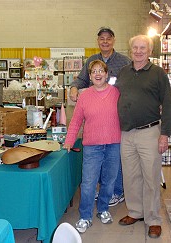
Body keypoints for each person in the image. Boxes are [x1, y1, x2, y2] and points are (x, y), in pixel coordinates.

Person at [115, 35, 171, 239]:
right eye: (135, 48)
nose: (138, 51)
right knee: (130, 176)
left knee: (150, 177)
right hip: (126, 133)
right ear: (130, 50)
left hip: (150, 132)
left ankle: (153, 219)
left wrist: (164, 134)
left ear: (149, 51)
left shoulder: (158, 73)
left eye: (143, 48)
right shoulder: (123, 72)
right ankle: (135, 212)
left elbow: (168, 105)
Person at [69, 26, 130, 207]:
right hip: (96, 118)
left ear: (113, 40)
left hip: (115, 115)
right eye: (102, 38)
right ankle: (104, 193)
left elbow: (130, 83)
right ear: (98, 41)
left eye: (108, 38)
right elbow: (80, 80)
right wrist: (73, 88)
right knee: (97, 162)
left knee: (114, 160)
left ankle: (117, 192)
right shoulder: (92, 60)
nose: (105, 41)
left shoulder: (124, 61)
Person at [63, 60, 121, 233]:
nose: (97, 74)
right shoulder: (85, 96)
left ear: (106, 74)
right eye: (94, 71)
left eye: (101, 71)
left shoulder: (116, 93)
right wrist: (69, 140)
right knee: (88, 183)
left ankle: (103, 209)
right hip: (92, 147)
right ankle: (85, 216)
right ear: (89, 76)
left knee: (109, 182)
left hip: (113, 145)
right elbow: (75, 121)